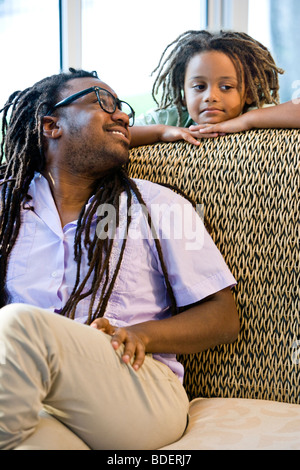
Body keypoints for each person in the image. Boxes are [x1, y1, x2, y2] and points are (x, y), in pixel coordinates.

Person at [0, 69, 239, 450]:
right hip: (36, 399)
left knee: (18, 323)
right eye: (102, 103)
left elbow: (223, 316)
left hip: (137, 385)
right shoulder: (8, 211)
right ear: (51, 125)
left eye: (123, 108)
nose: (123, 116)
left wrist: (142, 334)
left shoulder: (161, 205)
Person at [130, 30, 300, 148]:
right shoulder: (172, 118)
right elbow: (114, 135)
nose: (210, 97)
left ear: (247, 94)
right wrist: (160, 131)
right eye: (199, 87)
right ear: (183, 94)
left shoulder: (254, 113)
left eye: (226, 87)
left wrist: (246, 121)